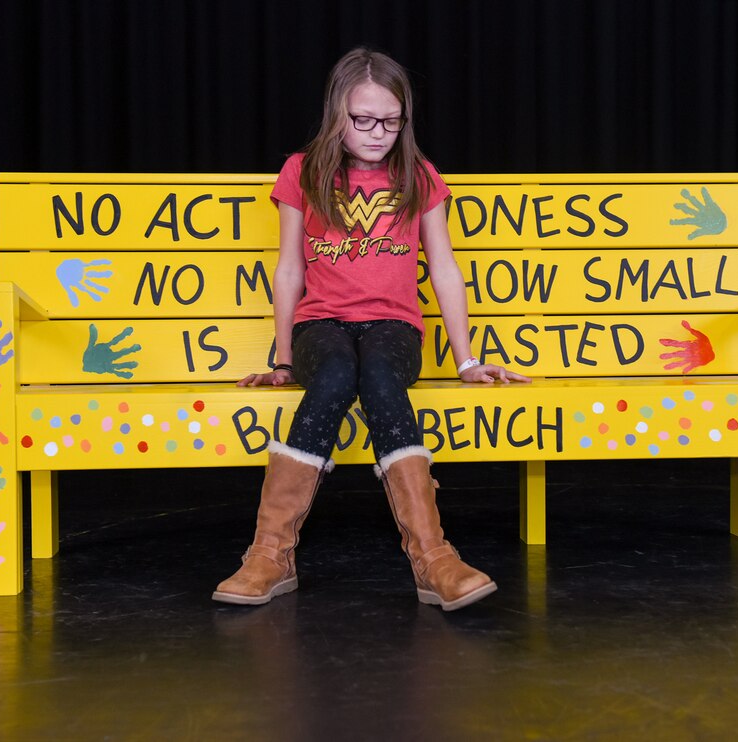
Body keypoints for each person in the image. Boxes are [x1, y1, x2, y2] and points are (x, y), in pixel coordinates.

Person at [212, 47, 530, 612]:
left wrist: (466, 361)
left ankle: (434, 559)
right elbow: (289, 268)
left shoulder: (419, 175)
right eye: (364, 119)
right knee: (334, 374)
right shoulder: (302, 172)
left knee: (380, 375)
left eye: (391, 120)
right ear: (338, 113)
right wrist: (284, 361)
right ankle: (269, 554)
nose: (378, 132)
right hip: (321, 325)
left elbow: (445, 268)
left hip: (393, 326)